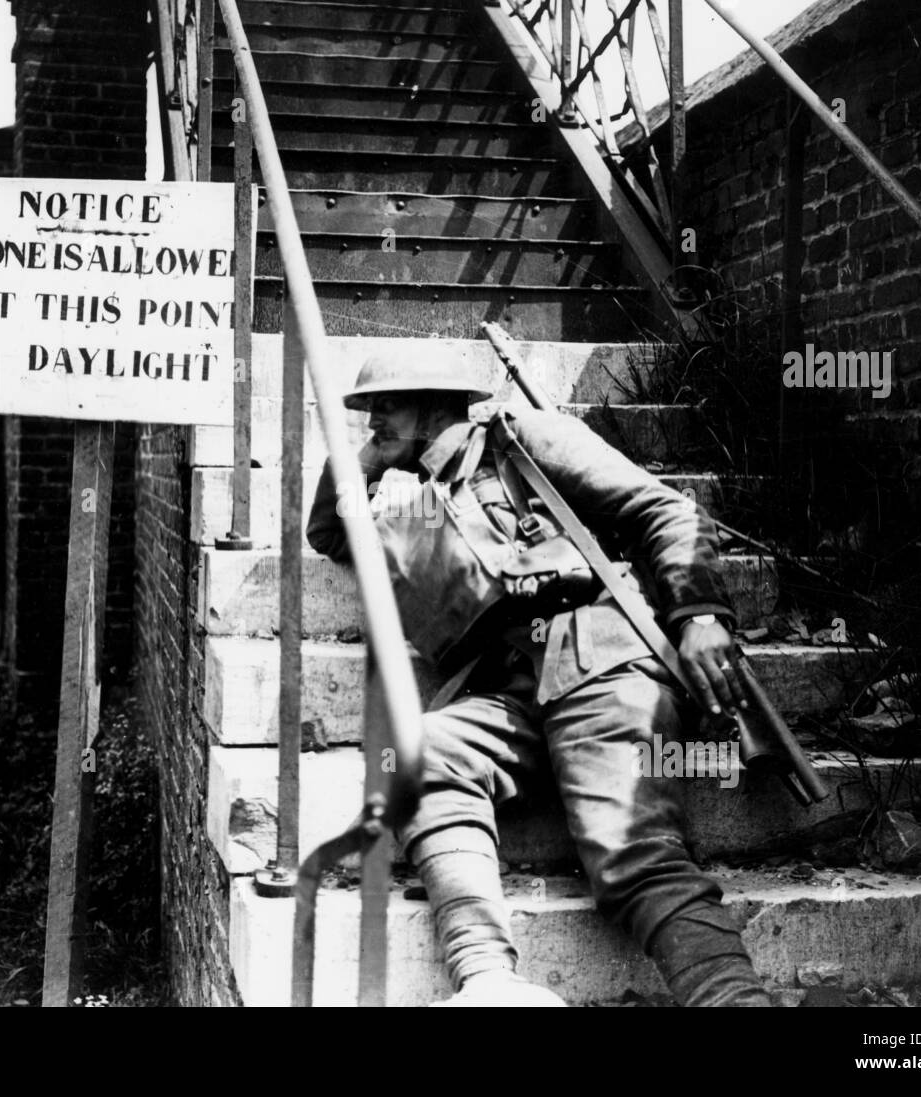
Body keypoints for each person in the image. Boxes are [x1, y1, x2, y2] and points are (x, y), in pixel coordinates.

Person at [306, 350, 771, 1007]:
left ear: (438, 401)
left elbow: (665, 510)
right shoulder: (414, 515)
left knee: (632, 853)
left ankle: (734, 998)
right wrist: (371, 459)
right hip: (511, 690)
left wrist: (699, 615)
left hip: (601, 659)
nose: (373, 416)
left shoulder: (521, 442)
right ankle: (489, 979)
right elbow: (328, 529)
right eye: (370, 406)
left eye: (389, 402)